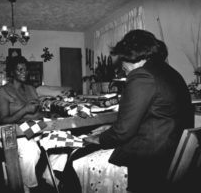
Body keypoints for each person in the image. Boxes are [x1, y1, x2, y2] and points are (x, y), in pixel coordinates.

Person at [71, 29, 194, 193]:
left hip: (151, 160)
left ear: (132, 56)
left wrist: (97, 138)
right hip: (173, 151)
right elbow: (154, 117)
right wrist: (110, 130)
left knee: (77, 160)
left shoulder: (141, 76)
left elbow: (122, 133)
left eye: (123, 58)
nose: (122, 66)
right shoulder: (169, 72)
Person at [0, 56, 67, 193]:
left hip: (34, 128)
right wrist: (25, 110)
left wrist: (49, 115)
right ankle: (27, 186)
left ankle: (49, 175)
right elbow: (3, 120)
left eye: (26, 69)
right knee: (31, 151)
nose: (24, 72)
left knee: (64, 138)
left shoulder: (31, 89)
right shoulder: (3, 91)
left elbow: (37, 113)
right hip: (11, 131)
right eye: (20, 69)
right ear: (11, 72)